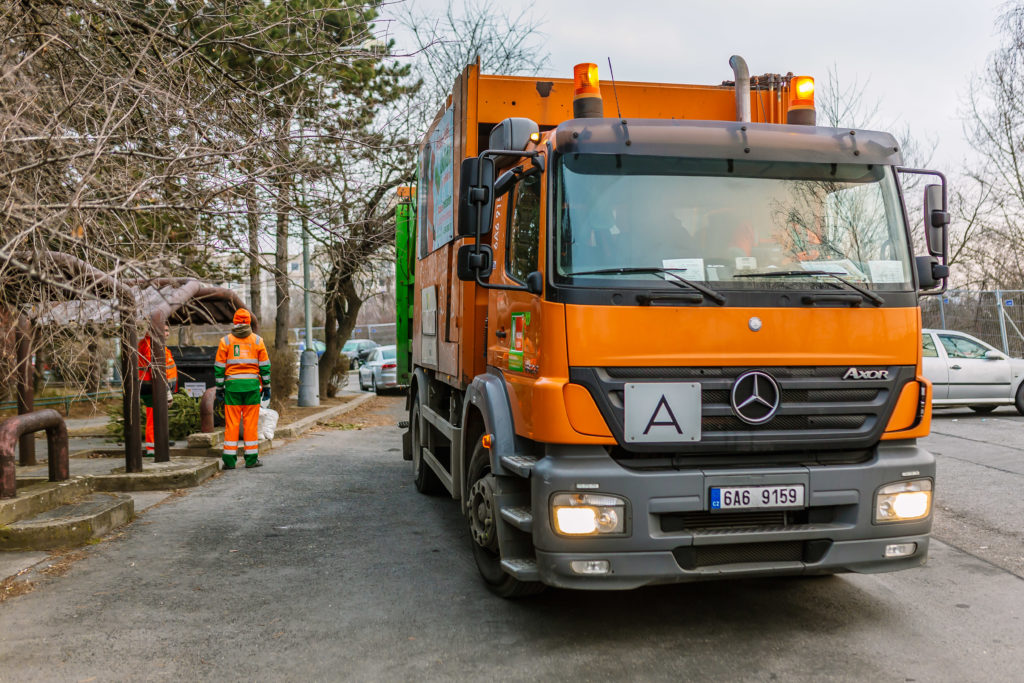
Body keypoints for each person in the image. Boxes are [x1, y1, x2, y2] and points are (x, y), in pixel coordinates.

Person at [214, 309, 270, 470]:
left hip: (232, 388)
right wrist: (266, 386)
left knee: (231, 424)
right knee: (250, 424)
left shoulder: (226, 341)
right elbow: (265, 366)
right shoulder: (257, 341)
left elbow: (219, 367)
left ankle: (229, 461)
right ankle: (251, 459)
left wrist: (219, 388)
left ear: (235, 322)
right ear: (249, 323)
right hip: (252, 388)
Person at [138, 323, 177, 457]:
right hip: (152, 387)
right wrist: (166, 390)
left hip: (158, 386)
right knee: (153, 416)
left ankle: (159, 441)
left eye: (167, 331)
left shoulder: (157, 344)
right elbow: (155, 367)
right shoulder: (150, 344)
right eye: (164, 330)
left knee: (159, 415)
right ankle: (152, 447)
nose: (166, 333)